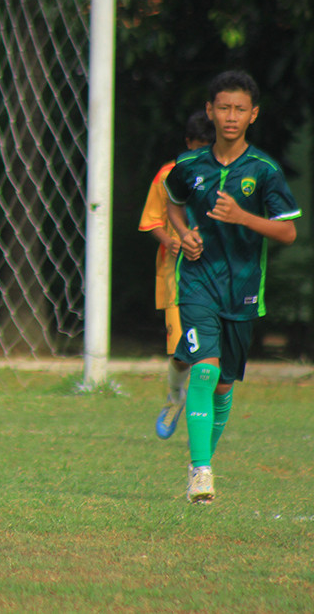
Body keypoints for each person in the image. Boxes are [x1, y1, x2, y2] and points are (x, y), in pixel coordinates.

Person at [164, 70, 300, 504]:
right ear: (210, 111)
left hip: (242, 289)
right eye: (223, 107)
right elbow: (173, 202)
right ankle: (202, 472)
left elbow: (287, 233)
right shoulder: (189, 166)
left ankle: (199, 460)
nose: (230, 116)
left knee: (223, 385)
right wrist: (184, 233)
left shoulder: (263, 171)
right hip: (198, 281)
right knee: (204, 369)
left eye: (240, 109)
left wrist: (243, 217)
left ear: (253, 115)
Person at [138, 110, 215, 440]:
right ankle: (175, 397)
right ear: (188, 144)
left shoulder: (229, 174)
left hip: (215, 275)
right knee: (183, 353)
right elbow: (152, 219)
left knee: (212, 357)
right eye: (197, 148)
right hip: (176, 275)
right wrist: (169, 238)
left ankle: (204, 420)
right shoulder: (168, 175)